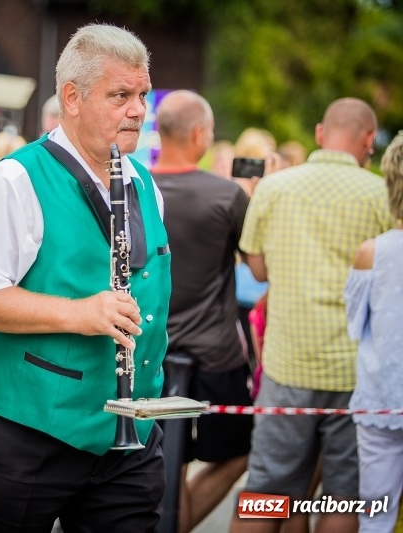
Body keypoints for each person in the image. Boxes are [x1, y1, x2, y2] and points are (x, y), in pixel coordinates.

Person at [0, 23, 171, 532]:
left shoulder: (144, 182)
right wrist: (78, 314)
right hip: (28, 433)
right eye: (121, 96)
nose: (137, 110)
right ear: (72, 98)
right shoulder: (17, 178)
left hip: (130, 435)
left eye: (142, 95)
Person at [231, 97, 397, 533]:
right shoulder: (381, 194)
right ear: (369, 140)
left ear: (321, 133)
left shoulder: (274, 188)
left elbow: (258, 270)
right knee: (343, 498)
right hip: (353, 373)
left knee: (266, 494)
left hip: (287, 365)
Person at [151, 89, 253, 533]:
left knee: (158, 461)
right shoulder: (227, 194)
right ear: (198, 134)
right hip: (216, 355)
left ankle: (166, 524)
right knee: (239, 454)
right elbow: (258, 266)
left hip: (147, 351)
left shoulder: (134, 187)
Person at [345, 129, 403, 533]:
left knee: (376, 516)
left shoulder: (372, 252)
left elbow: (355, 324)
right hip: (379, 403)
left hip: (380, 397)